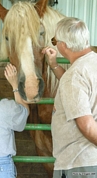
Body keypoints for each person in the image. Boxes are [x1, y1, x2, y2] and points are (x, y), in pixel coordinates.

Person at [42, 17, 97, 178]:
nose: (55, 44)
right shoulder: (90, 64)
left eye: (54, 41)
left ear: (63, 45)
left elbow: (86, 126)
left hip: (79, 164)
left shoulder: (74, 76)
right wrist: (54, 65)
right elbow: (79, 89)